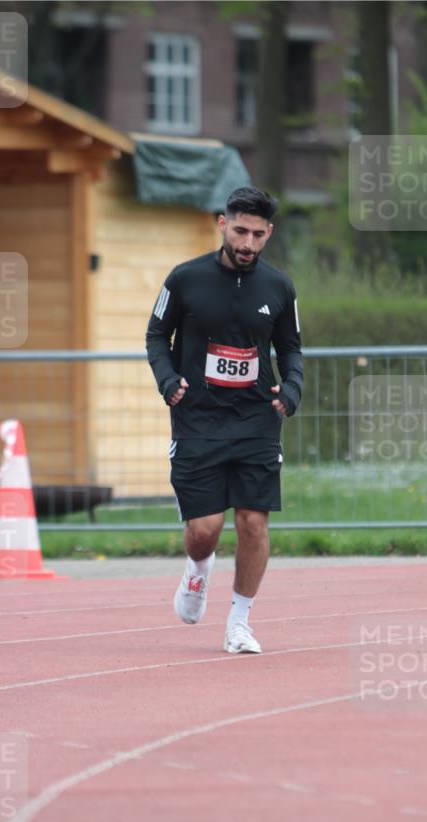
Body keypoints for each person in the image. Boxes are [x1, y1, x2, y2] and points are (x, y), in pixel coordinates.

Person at [146, 186, 303, 654]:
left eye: (257, 234)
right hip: (198, 420)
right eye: (239, 231)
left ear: (268, 233)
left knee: (254, 522)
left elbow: (291, 348)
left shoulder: (279, 287)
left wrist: (291, 389)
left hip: (257, 418)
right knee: (205, 530)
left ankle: (239, 623)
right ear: (222, 224)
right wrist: (167, 378)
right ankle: (197, 571)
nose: (247, 243)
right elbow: (156, 334)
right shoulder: (184, 279)